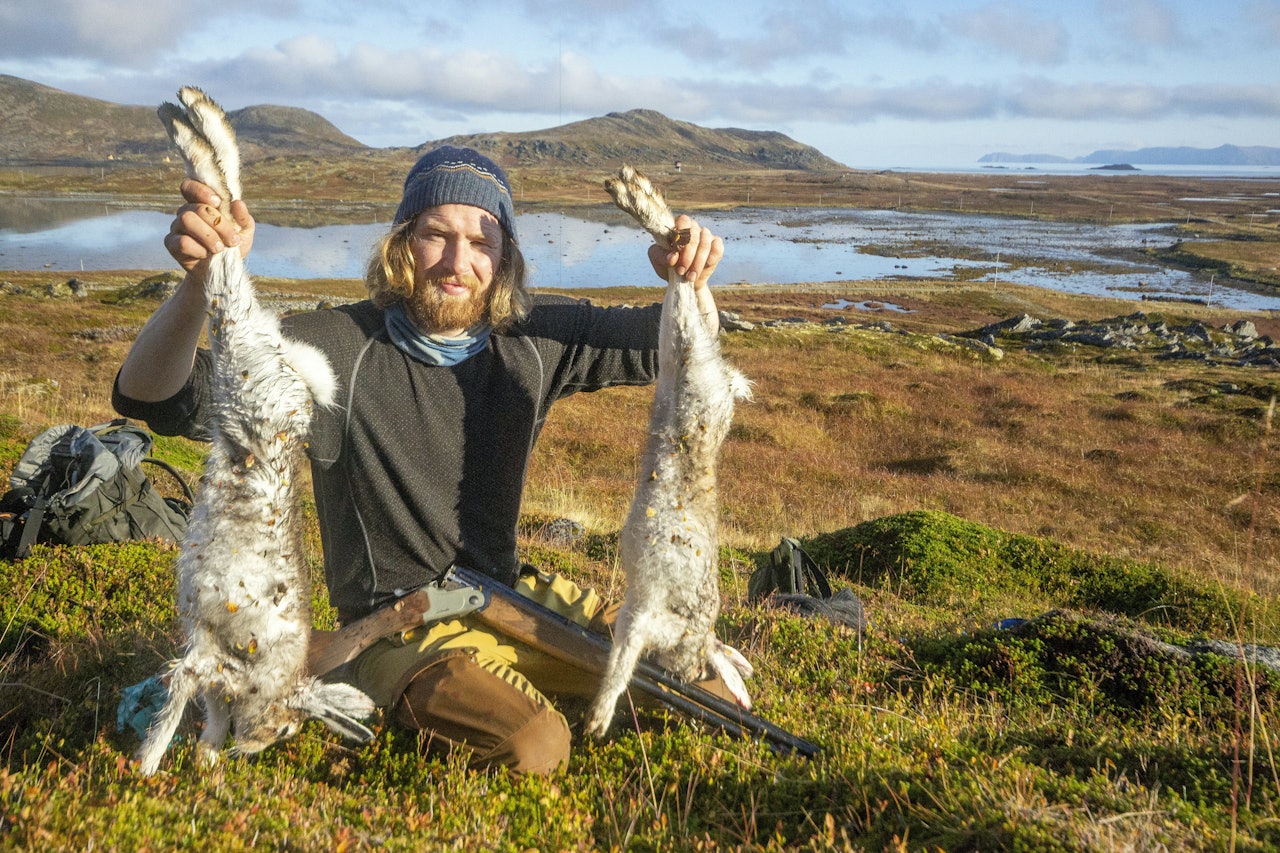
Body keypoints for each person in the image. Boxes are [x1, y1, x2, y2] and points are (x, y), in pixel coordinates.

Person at [113, 146, 733, 775]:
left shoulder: (536, 338)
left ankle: (548, 691)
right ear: (402, 244)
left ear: (505, 258)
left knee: (710, 685)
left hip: (510, 599)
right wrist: (199, 286)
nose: (457, 262)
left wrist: (689, 278)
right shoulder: (337, 346)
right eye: (436, 234)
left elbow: (684, 348)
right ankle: (408, 696)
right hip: (397, 627)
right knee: (534, 746)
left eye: (481, 241)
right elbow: (154, 397)